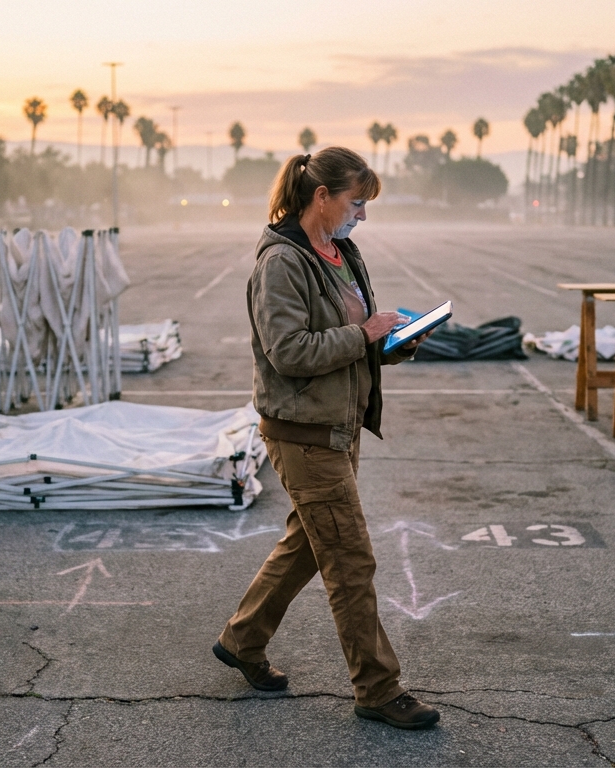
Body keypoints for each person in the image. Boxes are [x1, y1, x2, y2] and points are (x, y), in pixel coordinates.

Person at [211, 146, 440, 730]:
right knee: (349, 559)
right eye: (355, 202)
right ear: (321, 196)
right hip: (303, 431)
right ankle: (378, 688)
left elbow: (347, 341)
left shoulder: (342, 253)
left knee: (311, 542)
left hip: (338, 424)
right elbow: (288, 352)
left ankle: (242, 639)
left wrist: (391, 341)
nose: (362, 214)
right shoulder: (281, 262)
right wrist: (364, 333)